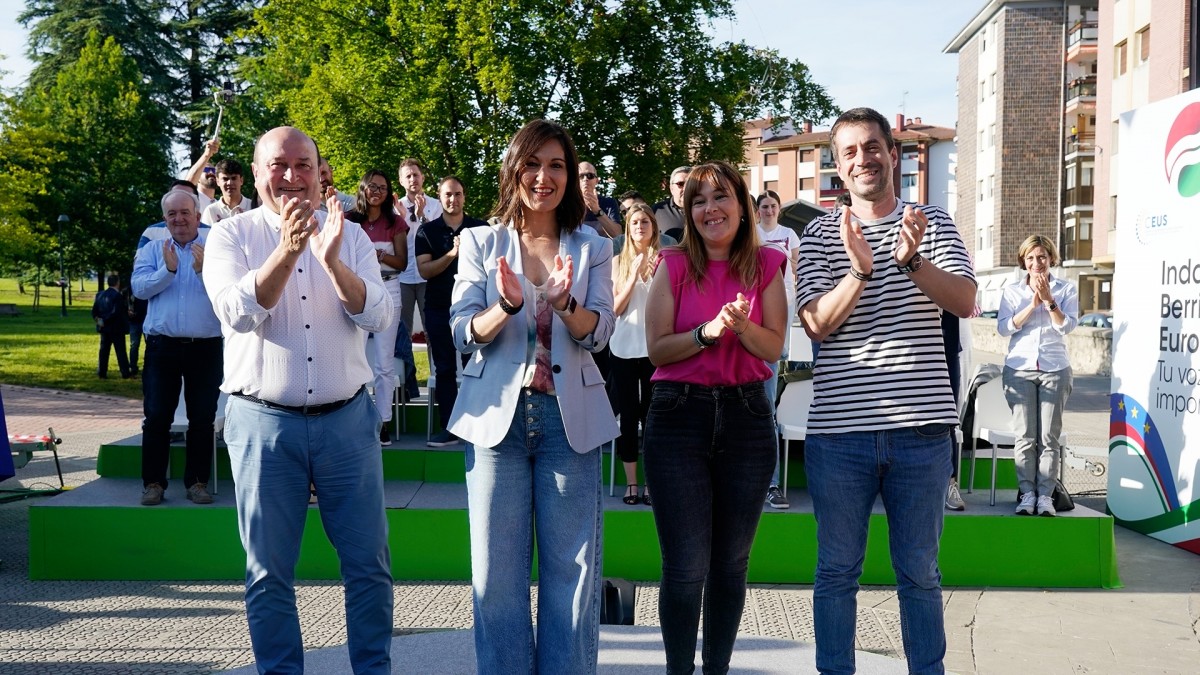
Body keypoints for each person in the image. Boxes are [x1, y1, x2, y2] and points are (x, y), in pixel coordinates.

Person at [204, 126, 394, 674]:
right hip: (263, 424)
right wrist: (288, 252)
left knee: (369, 567)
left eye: (303, 165)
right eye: (278, 165)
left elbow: (378, 315)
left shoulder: (350, 236)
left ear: (320, 170)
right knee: (268, 573)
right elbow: (238, 313)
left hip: (347, 422)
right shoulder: (231, 236)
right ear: (256, 173)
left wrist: (332, 262)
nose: (291, 176)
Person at [797, 107, 975, 675]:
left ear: (892, 154)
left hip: (921, 433)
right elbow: (816, 324)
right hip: (839, 434)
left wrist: (912, 261)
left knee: (920, 573)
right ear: (838, 169)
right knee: (836, 573)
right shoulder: (822, 233)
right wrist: (861, 271)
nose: (862, 159)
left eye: (872, 146)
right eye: (849, 152)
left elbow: (965, 301)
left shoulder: (934, 223)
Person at [447, 119, 618, 674]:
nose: (543, 177)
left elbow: (600, 334)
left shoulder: (593, 246)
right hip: (497, 421)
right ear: (513, 170)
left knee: (574, 578)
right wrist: (508, 307)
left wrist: (567, 304)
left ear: (569, 175)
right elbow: (461, 330)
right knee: (496, 577)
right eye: (532, 163)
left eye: (557, 166)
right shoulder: (478, 241)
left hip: (571, 424)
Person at [643, 160, 787, 674]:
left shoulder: (768, 263)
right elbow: (657, 350)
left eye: (721, 197)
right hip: (678, 416)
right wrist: (706, 333)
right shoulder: (673, 263)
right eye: (699, 201)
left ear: (743, 207)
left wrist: (742, 327)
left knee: (730, 566)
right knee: (685, 569)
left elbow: (772, 346)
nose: (710, 209)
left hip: (748, 415)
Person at [131, 190, 223, 506]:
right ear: (165, 219)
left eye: (185, 212)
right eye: (172, 214)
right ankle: (153, 484)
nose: (179, 219)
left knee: (202, 417)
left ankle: (197, 483)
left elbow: (229, 294)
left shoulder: (215, 248)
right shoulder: (153, 250)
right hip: (162, 347)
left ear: (197, 215)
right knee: (157, 417)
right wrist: (167, 271)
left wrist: (204, 271)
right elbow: (139, 290)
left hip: (206, 347)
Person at [996, 234, 1078, 517]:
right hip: (1019, 368)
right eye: (1030, 258)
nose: (1036, 263)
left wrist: (1049, 301)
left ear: (1051, 259)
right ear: (1024, 262)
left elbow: (1066, 326)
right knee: (1025, 437)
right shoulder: (1012, 291)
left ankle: (1045, 496)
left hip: (1055, 368)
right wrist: (1032, 304)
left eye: (1041, 257)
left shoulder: (1066, 289)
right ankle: (1026, 494)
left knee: (1048, 438)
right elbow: (1004, 328)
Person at [415, 176, 487, 447]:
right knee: (444, 369)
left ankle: (478, 426)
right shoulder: (427, 232)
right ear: (439, 196)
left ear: (464, 196)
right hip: (438, 307)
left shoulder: (480, 228)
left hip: (475, 310)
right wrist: (451, 255)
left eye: (457, 194)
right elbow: (425, 270)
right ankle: (451, 427)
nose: (452, 199)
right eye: (447, 194)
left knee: (476, 367)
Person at [346, 170, 407, 446]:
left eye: (383, 187)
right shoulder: (349, 221)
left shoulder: (396, 222)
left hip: (388, 289)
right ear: (363, 188)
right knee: (351, 357)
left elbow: (402, 262)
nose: (377, 191)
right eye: (372, 186)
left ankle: (383, 421)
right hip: (356, 290)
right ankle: (353, 419)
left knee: (384, 364)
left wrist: (379, 254)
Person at [609, 203, 664, 506]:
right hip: (623, 348)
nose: (640, 226)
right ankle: (632, 483)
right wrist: (632, 277)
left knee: (653, 416)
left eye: (645, 221)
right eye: (634, 222)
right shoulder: (617, 262)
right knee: (628, 417)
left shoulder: (665, 261)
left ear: (653, 226)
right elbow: (614, 309)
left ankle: (651, 484)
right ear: (627, 229)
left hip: (654, 349)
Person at [756, 189, 801, 511]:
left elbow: (798, 271)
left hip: (780, 321)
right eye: (764, 206)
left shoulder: (789, 235)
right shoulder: (751, 234)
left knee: (766, 408)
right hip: (751, 321)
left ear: (779, 209)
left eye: (773, 205)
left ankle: (770, 483)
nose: (769, 210)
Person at [396, 158, 442, 342]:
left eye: (416, 175)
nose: (412, 179)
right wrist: (402, 219)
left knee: (432, 328)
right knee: (403, 331)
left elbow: (438, 238)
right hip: (403, 276)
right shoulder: (395, 208)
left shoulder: (436, 205)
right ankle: (406, 372)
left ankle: (436, 371)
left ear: (422, 177)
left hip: (427, 275)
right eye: (408, 176)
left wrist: (422, 216)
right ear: (401, 181)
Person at [91, 274, 131, 379]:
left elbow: (94, 311)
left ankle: (102, 372)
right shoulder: (117, 296)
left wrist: (100, 321)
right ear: (117, 283)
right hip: (116, 327)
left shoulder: (100, 295)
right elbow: (115, 312)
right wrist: (106, 319)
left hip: (104, 328)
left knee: (104, 351)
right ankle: (125, 372)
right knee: (120, 351)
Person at [201, 158, 252, 225]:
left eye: (234, 178)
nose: (230, 183)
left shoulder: (253, 206)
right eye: (225, 179)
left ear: (241, 180)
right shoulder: (211, 211)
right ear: (218, 181)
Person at [579, 160, 621, 237]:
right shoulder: (566, 203)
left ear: (597, 180)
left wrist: (597, 210)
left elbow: (617, 235)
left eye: (590, 175)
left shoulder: (609, 203)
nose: (585, 179)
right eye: (581, 176)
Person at [653, 165, 690, 241]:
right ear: (671, 188)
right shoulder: (657, 211)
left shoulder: (705, 209)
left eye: (690, 183)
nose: (686, 188)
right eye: (680, 184)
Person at [123, 285, 147, 376]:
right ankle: (133, 367)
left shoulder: (145, 288)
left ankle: (142, 366)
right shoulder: (128, 291)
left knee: (136, 345)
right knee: (134, 345)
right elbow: (123, 304)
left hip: (143, 320)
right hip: (136, 321)